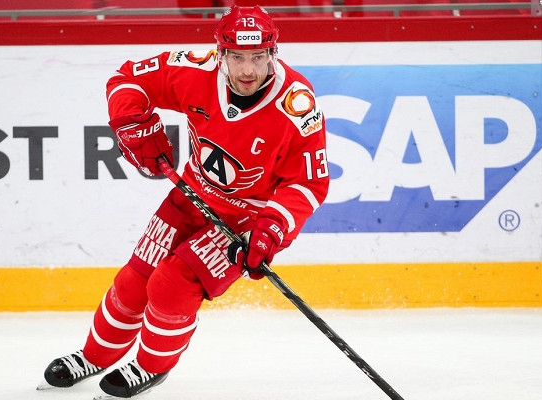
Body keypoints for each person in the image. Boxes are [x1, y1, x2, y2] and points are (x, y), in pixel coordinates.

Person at [38, 5, 329, 399]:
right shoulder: (195, 69)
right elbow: (127, 79)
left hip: (247, 220)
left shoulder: (297, 107)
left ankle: (150, 366)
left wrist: (271, 229)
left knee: (171, 285)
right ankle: (95, 356)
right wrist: (132, 122)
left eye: (258, 57)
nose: (248, 70)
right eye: (237, 57)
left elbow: (309, 183)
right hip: (190, 195)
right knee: (133, 283)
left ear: (272, 53)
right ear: (220, 53)